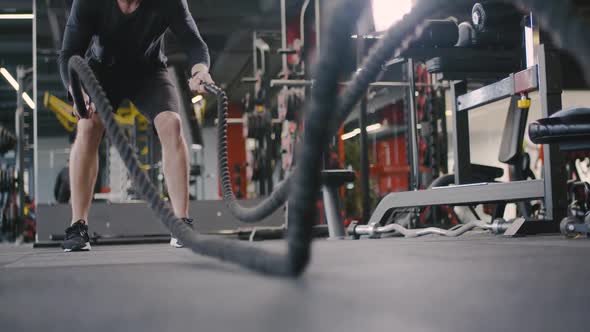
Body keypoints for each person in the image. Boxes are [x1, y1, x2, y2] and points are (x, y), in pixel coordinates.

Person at [58, 0, 213, 252]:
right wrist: (76, 91)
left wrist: (200, 70)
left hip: (148, 72)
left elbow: (193, 42)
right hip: (101, 71)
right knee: (87, 127)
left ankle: (181, 224)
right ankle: (78, 225)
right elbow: (67, 54)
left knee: (171, 124)